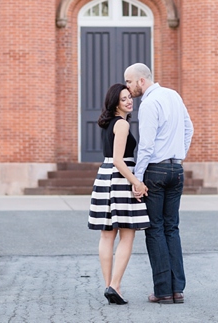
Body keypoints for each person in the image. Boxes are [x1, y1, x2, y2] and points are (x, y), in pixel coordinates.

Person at [124, 63, 193, 305]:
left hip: (155, 170)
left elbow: (146, 146)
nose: (128, 87)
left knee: (155, 229)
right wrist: (179, 156)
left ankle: (163, 290)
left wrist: (138, 179)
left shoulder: (150, 104)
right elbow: (189, 128)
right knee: (171, 228)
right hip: (176, 169)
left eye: (130, 82)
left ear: (142, 80)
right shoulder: (173, 95)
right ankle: (178, 290)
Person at [88, 83, 150, 305]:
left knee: (107, 235)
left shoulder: (108, 124)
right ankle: (114, 285)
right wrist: (137, 182)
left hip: (105, 176)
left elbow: (110, 160)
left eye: (129, 97)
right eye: (123, 99)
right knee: (127, 233)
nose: (129, 101)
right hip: (120, 178)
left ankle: (110, 286)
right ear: (115, 103)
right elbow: (118, 160)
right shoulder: (122, 125)